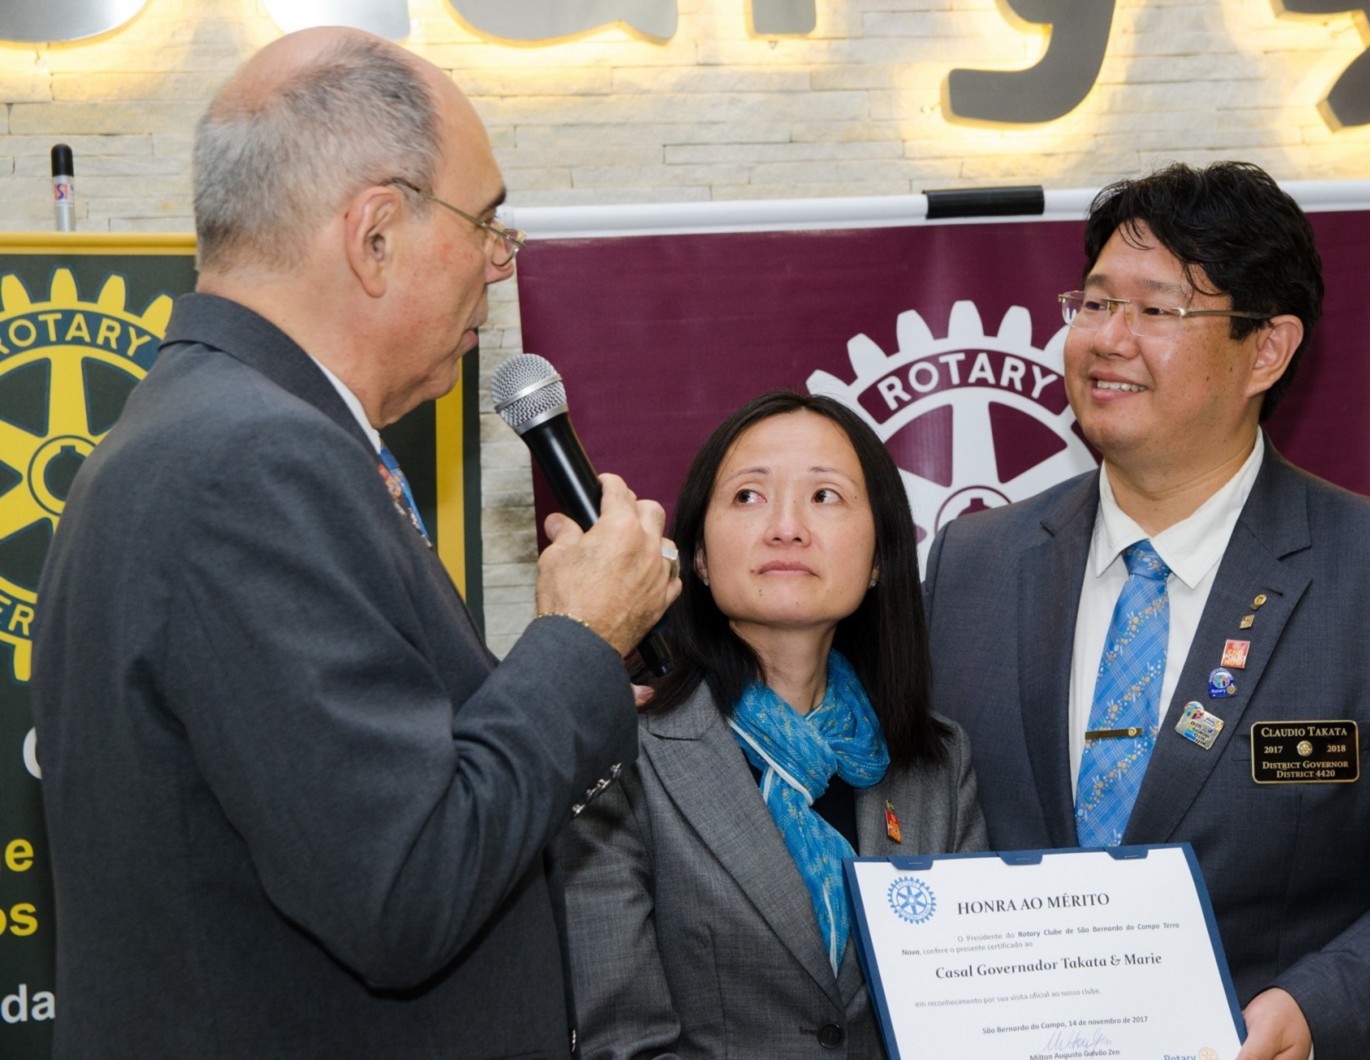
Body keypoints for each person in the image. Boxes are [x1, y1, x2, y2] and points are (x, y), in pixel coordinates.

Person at [29, 27, 679, 1058]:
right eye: (486, 221)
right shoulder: (254, 463)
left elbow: (355, 802)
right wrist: (581, 643)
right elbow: (405, 884)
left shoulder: (211, 431)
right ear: (374, 235)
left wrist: (567, 679)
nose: (501, 262)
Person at [922, 161, 1370, 1060]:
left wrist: (1319, 1009)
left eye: (1156, 310)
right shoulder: (972, 564)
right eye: (1095, 303)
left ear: (1268, 349)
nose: (1108, 339)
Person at [556, 390, 987, 1059]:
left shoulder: (936, 761)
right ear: (698, 556)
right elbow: (621, 1040)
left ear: (880, 556)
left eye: (825, 496)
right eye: (749, 496)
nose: (787, 528)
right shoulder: (621, 756)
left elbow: (972, 1013)